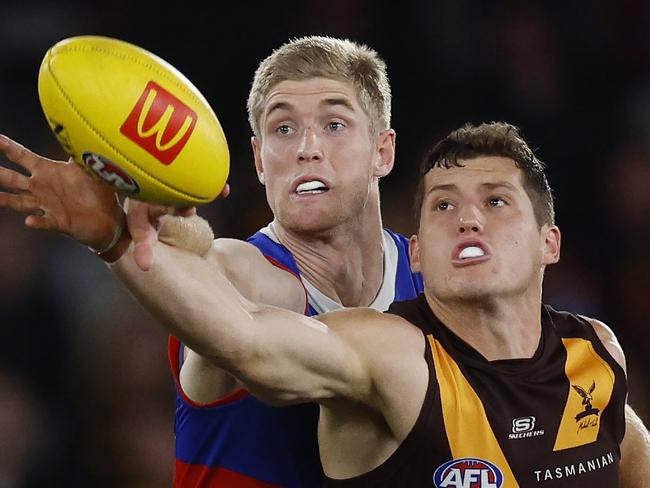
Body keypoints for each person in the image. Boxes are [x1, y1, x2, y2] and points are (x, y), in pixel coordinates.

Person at [107, 122, 650, 486]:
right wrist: (115, 236)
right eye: (442, 205)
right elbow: (248, 340)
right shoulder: (391, 353)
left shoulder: (594, 351)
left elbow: (627, 454)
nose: (467, 219)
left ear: (548, 243)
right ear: (415, 253)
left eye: (496, 201)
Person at [0, 36, 423, 487]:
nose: (307, 147)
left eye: (334, 124)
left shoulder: (429, 277)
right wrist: (123, 236)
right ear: (260, 160)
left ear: (383, 151)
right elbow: (210, 266)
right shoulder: (244, 273)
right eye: (283, 128)